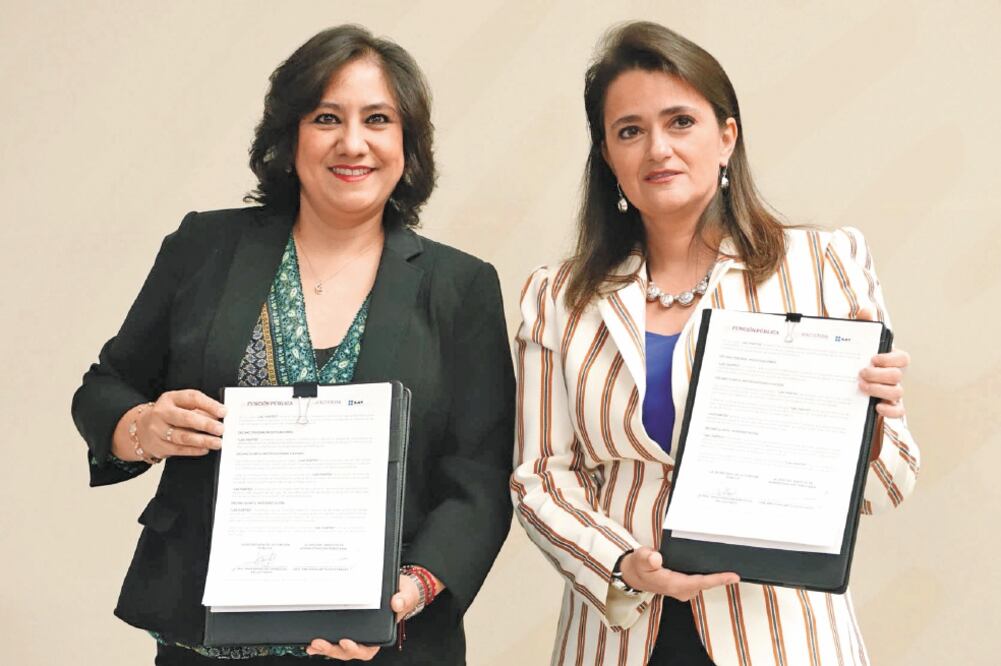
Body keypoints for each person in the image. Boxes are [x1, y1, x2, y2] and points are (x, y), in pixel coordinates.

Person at [72, 25, 514, 665]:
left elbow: (480, 475)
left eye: (379, 119)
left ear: (408, 143)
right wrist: (140, 427)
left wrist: (413, 589)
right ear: (290, 135)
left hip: (380, 640)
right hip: (205, 636)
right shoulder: (205, 247)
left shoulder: (461, 286)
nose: (352, 142)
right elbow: (103, 388)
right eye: (327, 117)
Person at [512, 21, 918, 666]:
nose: (657, 150)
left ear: (726, 137)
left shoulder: (822, 263)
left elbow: (888, 485)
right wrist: (623, 563)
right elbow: (539, 479)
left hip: (782, 632)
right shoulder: (557, 295)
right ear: (608, 156)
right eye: (630, 131)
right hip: (622, 632)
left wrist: (873, 421)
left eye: (680, 122)